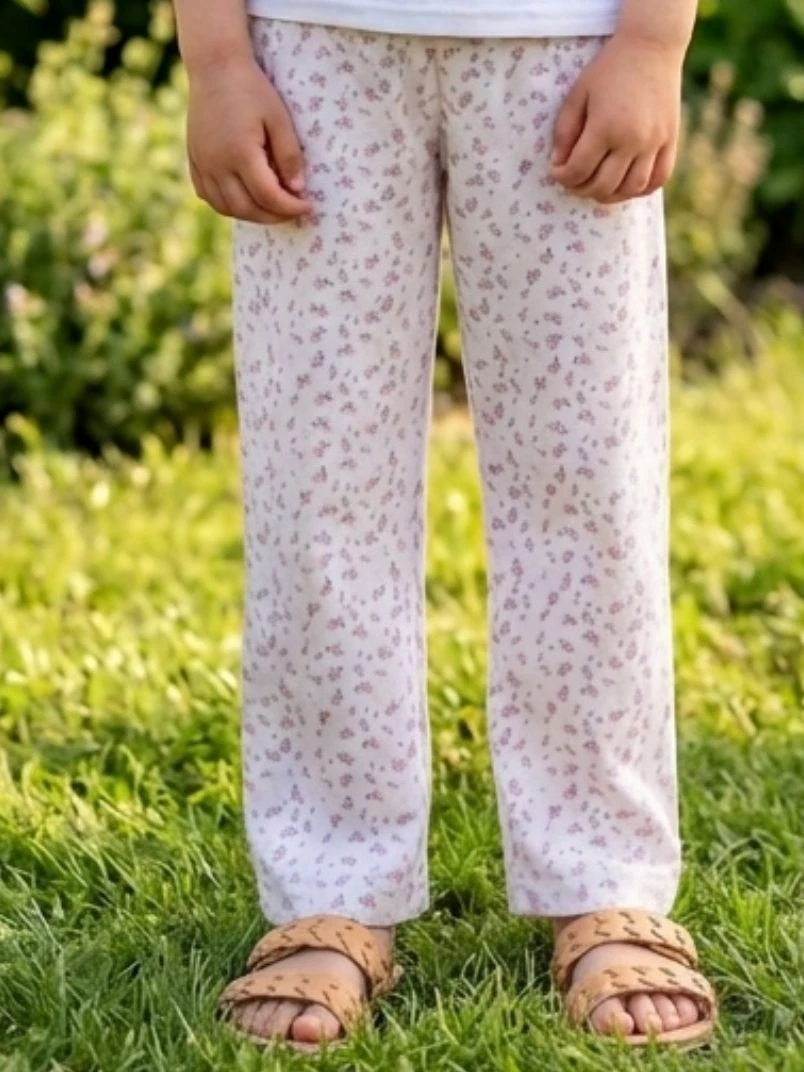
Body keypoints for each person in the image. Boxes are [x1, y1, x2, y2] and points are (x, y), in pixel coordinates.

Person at [172, 0, 718, 1052]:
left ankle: (601, 874)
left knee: (587, 482)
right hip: (310, 45)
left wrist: (653, 41)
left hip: (568, 44)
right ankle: (332, 885)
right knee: (318, 486)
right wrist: (218, 58)